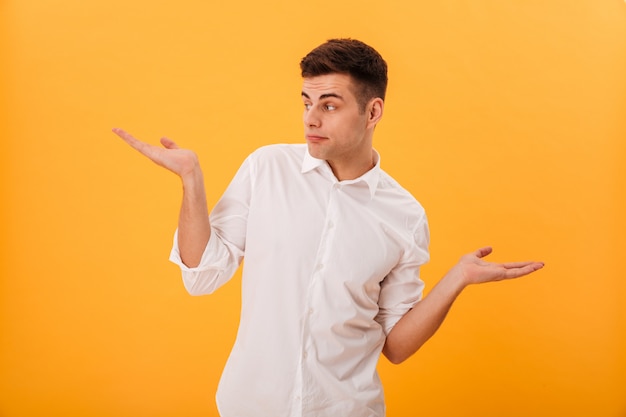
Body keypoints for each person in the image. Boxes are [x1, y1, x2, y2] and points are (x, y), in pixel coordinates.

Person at [112, 38, 544, 417]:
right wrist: (191, 180)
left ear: (373, 111)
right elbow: (202, 275)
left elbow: (396, 346)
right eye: (306, 102)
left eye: (329, 105)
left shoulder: (405, 215)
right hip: (250, 406)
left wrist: (457, 279)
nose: (310, 119)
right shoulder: (267, 168)